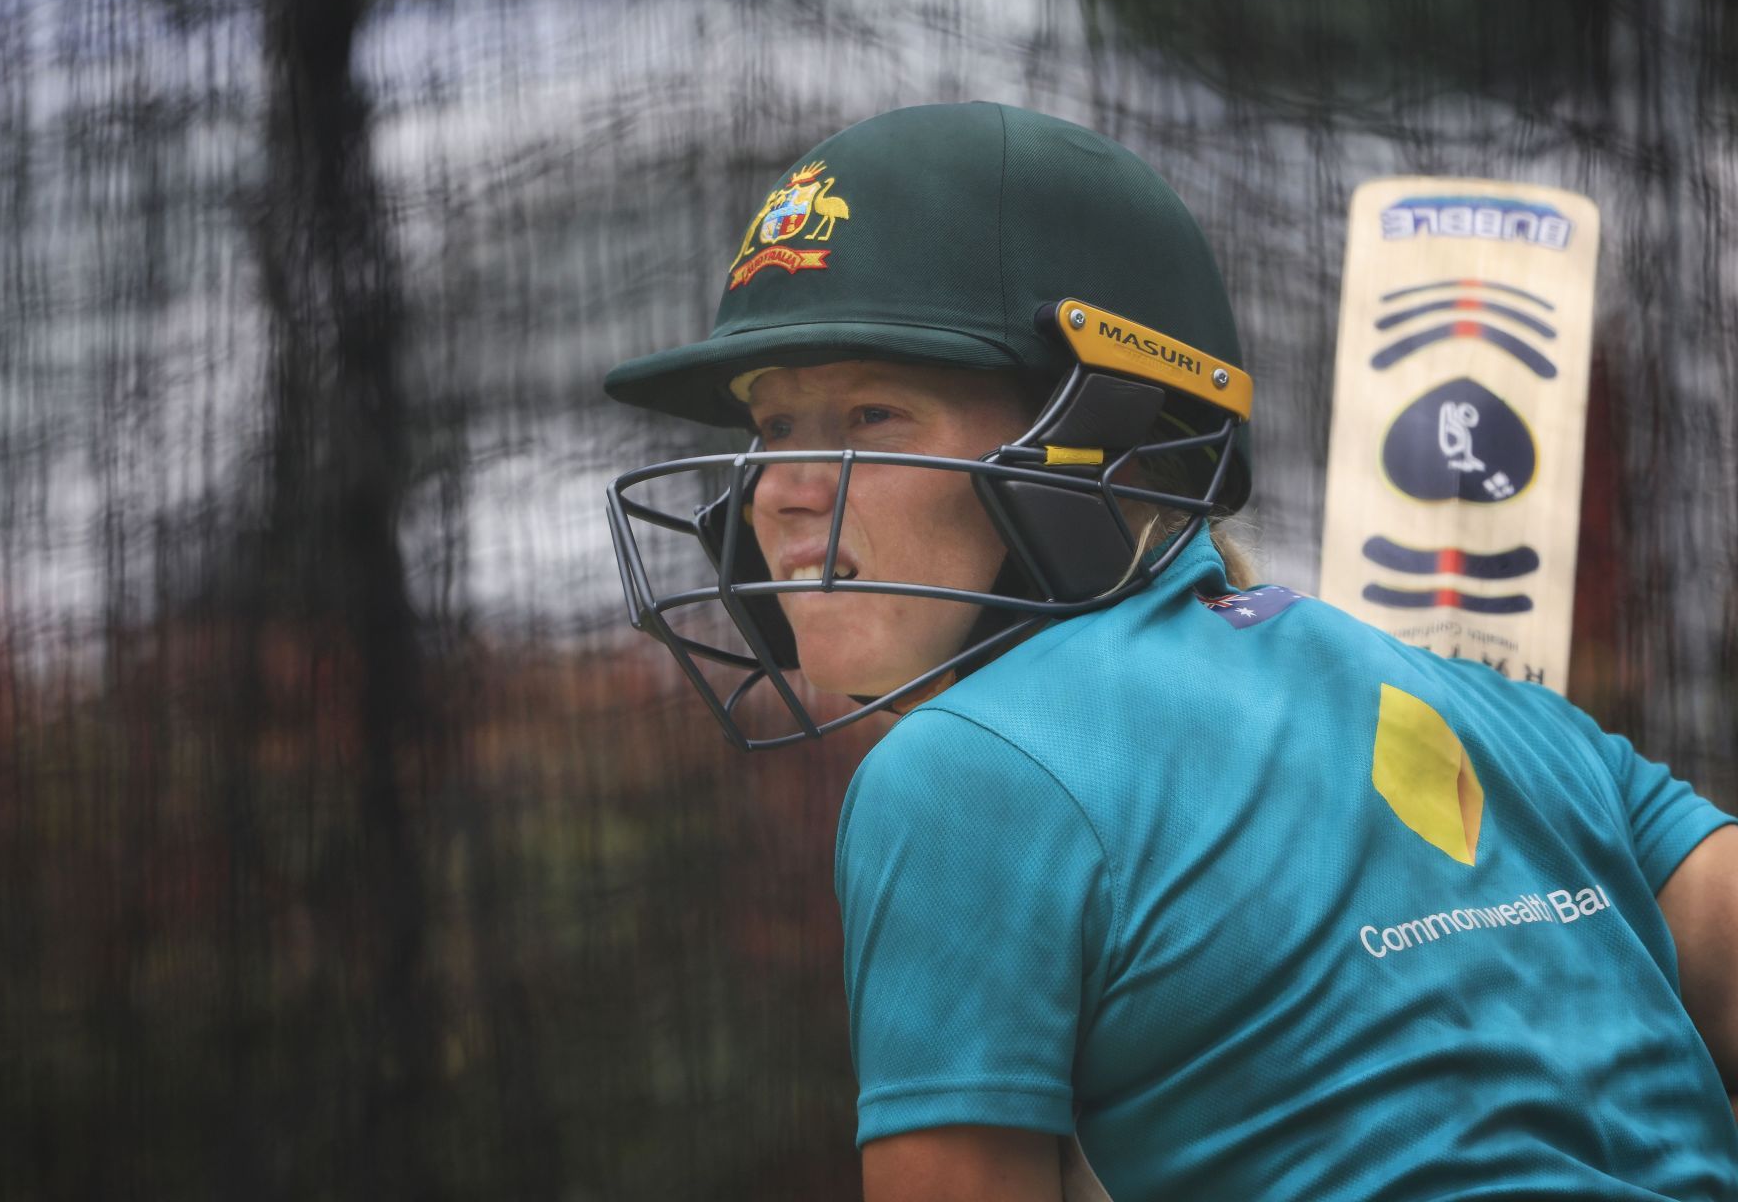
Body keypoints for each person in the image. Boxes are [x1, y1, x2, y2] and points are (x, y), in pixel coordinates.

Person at [602, 102, 1738, 1200]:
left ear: (1113, 436)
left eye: (871, 417)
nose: (784, 492)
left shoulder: (957, 772)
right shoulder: (1503, 718)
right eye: (771, 425)